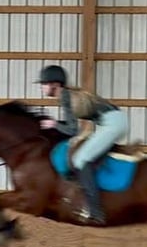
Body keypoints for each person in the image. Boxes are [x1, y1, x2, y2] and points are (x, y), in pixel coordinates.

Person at [36, 64, 128, 225]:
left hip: (112, 124)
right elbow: (71, 125)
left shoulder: (65, 97)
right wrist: (56, 125)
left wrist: (54, 124)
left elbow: (72, 130)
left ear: (55, 85)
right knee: (82, 154)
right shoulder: (67, 95)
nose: (42, 87)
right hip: (113, 121)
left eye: (44, 83)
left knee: (81, 159)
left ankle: (96, 212)